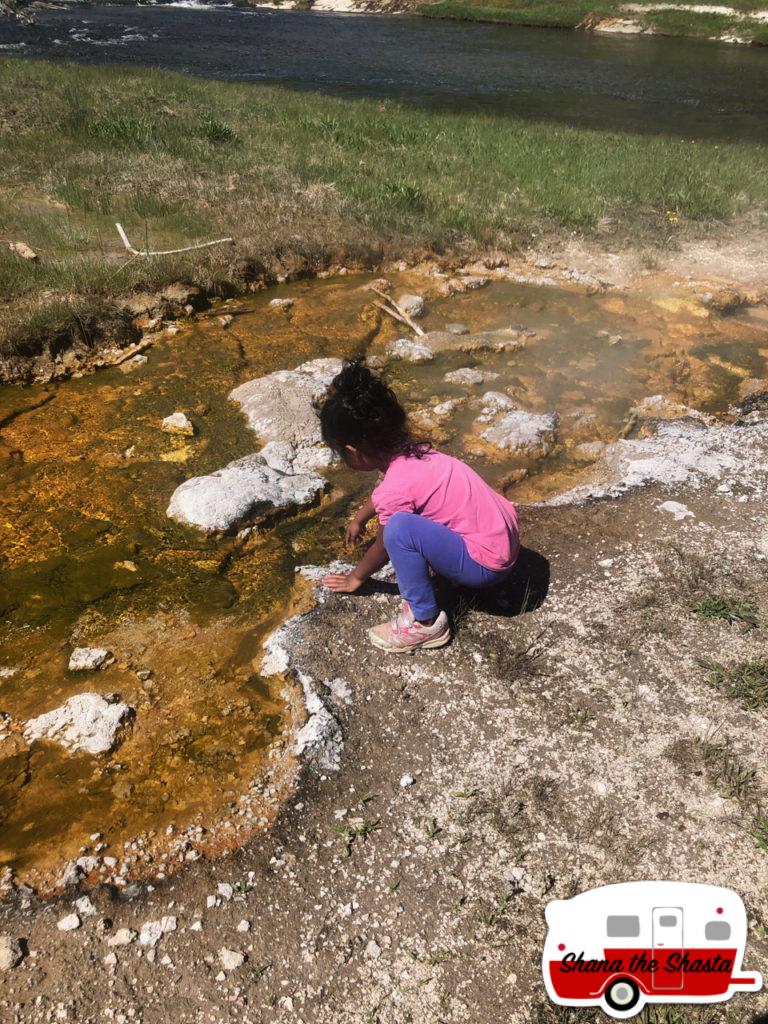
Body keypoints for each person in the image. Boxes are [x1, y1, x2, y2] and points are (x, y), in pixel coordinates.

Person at [319, 360, 520, 652]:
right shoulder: (420, 455)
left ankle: (424, 622)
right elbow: (387, 492)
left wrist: (356, 577)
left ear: (353, 451)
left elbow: (385, 544)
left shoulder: (395, 486)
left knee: (399, 529)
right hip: (504, 543)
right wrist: (360, 518)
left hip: (487, 567)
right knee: (409, 519)